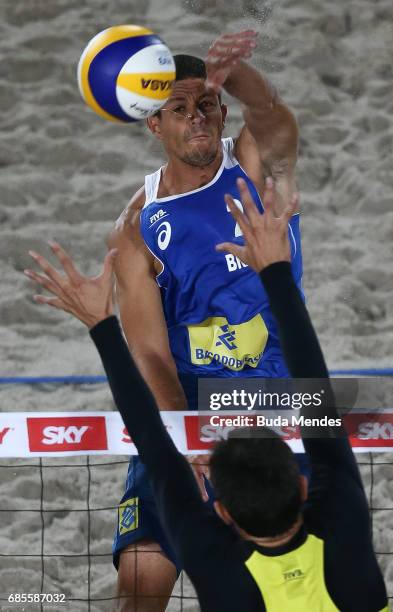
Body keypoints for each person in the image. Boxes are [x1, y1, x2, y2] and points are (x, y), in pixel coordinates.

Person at [25, 177, 390, 612]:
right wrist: (276, 270)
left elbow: (155, 448)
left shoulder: (222, 575)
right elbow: (311, 382)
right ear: (302, 481)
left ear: (223, 514)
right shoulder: (344, 530)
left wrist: (101, 324)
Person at [107, 29, 304, 609]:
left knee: (282, 592)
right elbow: (146, 353)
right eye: (180, 108)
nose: (198, 118)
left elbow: (269, 113)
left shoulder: (256, 163)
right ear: (153, 123)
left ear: (221, 110)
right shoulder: (135, 227)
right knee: (139, 588)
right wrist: (184, 435)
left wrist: (232, 72)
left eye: (208, 104)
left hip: (278, 405)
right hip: (185, 405)